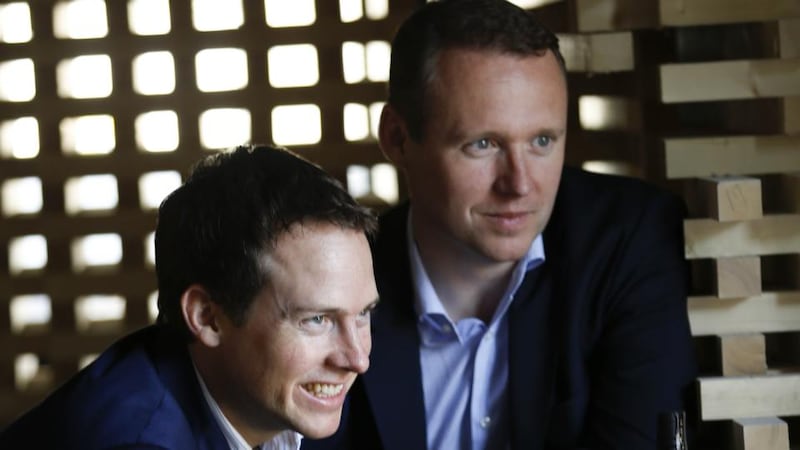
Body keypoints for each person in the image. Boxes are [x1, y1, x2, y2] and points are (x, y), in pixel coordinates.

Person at [302, 1, 696, 449]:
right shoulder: (333, 281)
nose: (520, 184)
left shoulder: (630, 240)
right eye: (483, 144)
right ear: (397, 138)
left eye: (542, 141)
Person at [0, 145, 380, 450]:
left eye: (363, 314)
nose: (357, 359)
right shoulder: (137, 440)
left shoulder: (276, 398)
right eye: (317, 320)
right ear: (207, 316)